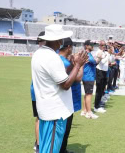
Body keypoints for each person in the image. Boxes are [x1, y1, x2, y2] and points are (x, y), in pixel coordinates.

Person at [31, 24, 88, 153]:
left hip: (46, 108)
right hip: (55, 113)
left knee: (45, 147)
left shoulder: (39, 53)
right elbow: (66, 85)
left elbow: (57, 75)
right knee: (51, 149)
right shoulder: (52, 57)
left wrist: (73, 65)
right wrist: (78, 65)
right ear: (58, 40)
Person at [59, 37, 85, 153]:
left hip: (64, 99)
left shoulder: (61, 59)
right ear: (69, 47)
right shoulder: (63, 62)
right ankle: (61, 149)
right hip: (64, 100)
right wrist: (80, 64)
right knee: (64, 128)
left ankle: (62, 149)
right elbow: (77, 78)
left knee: (64, 128)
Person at [30, 31, 45, 153]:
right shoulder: (42, 54)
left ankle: (38, 144)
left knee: (40, 118)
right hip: (39, 91)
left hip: (37, 90)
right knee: (40, 118)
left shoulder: (38, 54)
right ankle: (39, 145)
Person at [81, 40, 99, 119]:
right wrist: (99, 58)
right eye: (91, 45)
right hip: (88, 76)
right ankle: (89, 112)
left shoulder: (87, 53)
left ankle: (84, 110)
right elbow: (94, 61)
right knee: (89, 94)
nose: (92, 46)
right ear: (86, 46)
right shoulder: (87, 54)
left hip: (87, 76)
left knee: (86, 94)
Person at [93, 40, 109, 114]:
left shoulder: (104, 52)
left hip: (104, 71)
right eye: (102, 45)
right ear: (99, 45)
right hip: (100, 71)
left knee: (102, 89)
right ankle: (96, 106)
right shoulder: (98, 52)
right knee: (99, 90)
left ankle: (99, 104)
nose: (104, 46)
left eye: (105, 45)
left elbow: (107, 61)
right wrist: (106, 57)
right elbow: (102, 62)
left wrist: (106, 56)